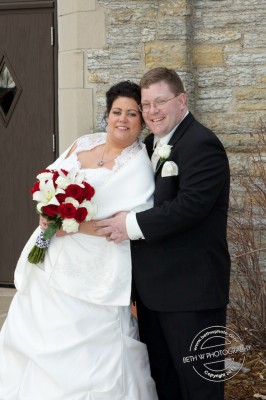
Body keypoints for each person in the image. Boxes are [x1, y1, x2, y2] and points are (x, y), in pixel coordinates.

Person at [0, 81, 158, 400]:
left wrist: (70, 225)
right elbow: (48, 183)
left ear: (142, 121)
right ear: (107, 114)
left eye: (132, 114)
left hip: (96, 264)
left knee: (90, 348)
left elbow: (121, 223)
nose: (122, 120)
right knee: (38, 331)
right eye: (117, 112)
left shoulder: (138, 164)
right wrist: (47, 212)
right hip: (53, 255)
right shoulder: (85, 143)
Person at [95, 68, 231, 400]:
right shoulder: (149, 145)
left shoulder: (202, 143)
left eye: (160, 102)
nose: (152, 111)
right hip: (153, 294)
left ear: (181, 100)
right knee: (163, 381)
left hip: (192, 295)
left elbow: (191, 206)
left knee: (200, 387)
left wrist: (129, 225)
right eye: (147, 104)